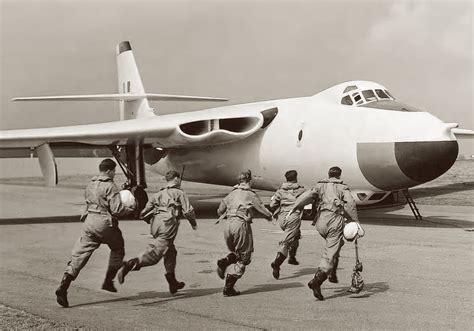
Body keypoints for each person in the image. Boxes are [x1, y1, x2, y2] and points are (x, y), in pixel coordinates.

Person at [55, 158, 132, 308]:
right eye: (114, 171)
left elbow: (88, 202)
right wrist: (131, 209)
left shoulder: (90, 184)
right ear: (109, 170)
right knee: (118, 248)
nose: (115, 174)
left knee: (79, 256)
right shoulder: (110, 186)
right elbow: (117, 210)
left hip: (89, 222)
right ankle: (108, 281)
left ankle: (63, 286)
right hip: (104, 224)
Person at [116, 170, 196, 295]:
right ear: (175, 179)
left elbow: (144, 212)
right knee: (155, 255)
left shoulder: (158, 193)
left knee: (171, 251)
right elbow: (188, 211)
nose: (179, 181)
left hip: (156, 224)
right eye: (178, 178)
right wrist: (193, 223)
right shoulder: (179, 193)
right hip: (168, 225)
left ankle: (172, 281)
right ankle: (131, 264)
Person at [288, 166, 361, 300]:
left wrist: (295, 207)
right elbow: (350, 204)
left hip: (320, 222)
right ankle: (317, 281)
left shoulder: (320, 185)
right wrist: (355, 221)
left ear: (328, 175)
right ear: (339, 176)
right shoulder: (342, 187)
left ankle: (332, 272)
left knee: (336, 245)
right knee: (330, 252)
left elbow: (306, 196)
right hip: (334, 221)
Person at [216, 170, 273, 296]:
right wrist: (270, 216)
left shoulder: (231, 193)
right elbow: (262, 210)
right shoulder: (251, 194)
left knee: (237, 251)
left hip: (228, 225)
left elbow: (220, 210)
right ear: (250, 181)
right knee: (244, 257)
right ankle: (229, 287)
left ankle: (225, 261)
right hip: (240, 225)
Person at [269, 170, 306, 279]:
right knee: (286, 243)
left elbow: (272, 204)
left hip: (282, 217)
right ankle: (277, 263)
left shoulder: (280, 191)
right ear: (296, 178)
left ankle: (292, 258)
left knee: (296, 235)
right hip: (293, 217)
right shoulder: (301, 190)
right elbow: (311, 199)